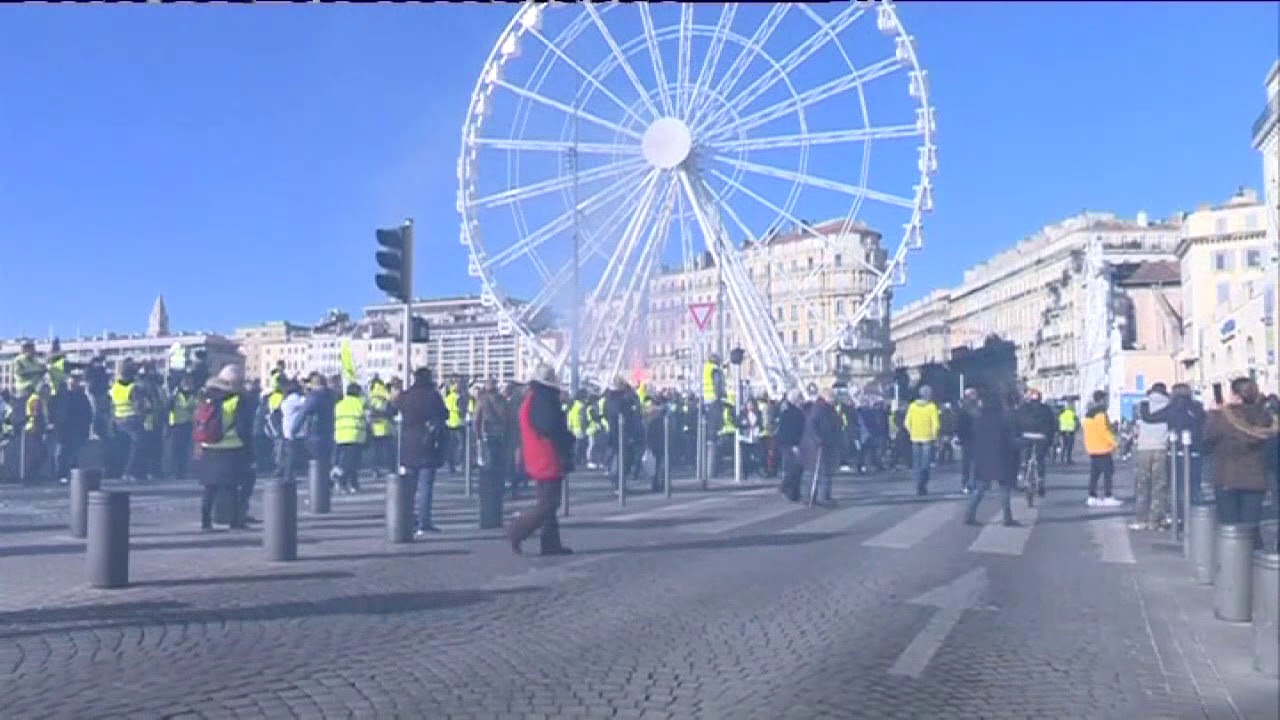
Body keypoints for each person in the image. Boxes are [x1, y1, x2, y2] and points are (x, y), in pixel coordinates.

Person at [507, 364, 574, 556]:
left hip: (536, 453)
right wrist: (567, 437)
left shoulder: (532, 397)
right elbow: (550, 426)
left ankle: (550, 543)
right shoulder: (545, 399)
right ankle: (517, 530)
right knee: (549, 504)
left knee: (547, 502)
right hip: (547, 454)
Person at [1204, 377, 1278, 538]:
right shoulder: (1265, 417)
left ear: (1236, 395)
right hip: (1255, 478)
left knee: (1230, 531)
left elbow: (1208, 439)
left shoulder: (1223, 417)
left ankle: (1233, 562)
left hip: (1227, 478)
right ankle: (1253, 559)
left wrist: (1214, 413)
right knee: (1251, 530)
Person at [196, 365, 253, 531]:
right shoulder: (237, 400)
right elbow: (243, 428)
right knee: (232, 488)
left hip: (208, 446)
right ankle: (235, 521)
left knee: (209, 488)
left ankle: (206, 522)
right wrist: (249, 452)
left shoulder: (205, 397)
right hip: (231, 447)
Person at [394, 367, 448, 537]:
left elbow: (393, 409)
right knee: (425, 487)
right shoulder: (432, 395)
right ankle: (424, 521)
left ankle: (408, 518)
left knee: (409, 486)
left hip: (408, 444)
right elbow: (444, 414)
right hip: (427, 444)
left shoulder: (406, 396)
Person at [963, 385, 1019, 527]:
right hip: (1002, 456)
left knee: (980, 488)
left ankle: (969, 514)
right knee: (1004, 488)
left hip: (983, 457)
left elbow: (973, 436)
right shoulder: (1004, 418)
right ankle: (1007, 517)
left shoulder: (979, 419)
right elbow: (1011, 439)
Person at [1130, 383, 1170, 531]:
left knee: (1142, 484)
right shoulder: (1170, 405)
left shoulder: (1143, 405)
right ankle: (1156, 520)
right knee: (1159, 485)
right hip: (1161, 447)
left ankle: (1141, 520)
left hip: (1143, 448)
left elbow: (1136, 426)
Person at [799, 386, 842, 507]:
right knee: (819, 472)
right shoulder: (819, 408)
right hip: (817, 446)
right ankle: (815, 497)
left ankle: (822, 496)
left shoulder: (828, 409)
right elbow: (812, 425)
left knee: (824, 472)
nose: (833, 399)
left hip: (826, 443)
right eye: (831, 397)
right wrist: (818, 439)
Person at [1013, 388, 1056, 497]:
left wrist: (1017, 436)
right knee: (1040, 459)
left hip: (1025, 436)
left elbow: (1016, 422)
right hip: (1041, 437)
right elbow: (1053, 425)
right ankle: (1040, 479)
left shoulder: (1022, 409)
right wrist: (1050, 441)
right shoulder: (1046, 409)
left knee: (1025, 458)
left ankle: (1024, 473)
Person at [1081, 390, 1121, 507]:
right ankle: (1108, 496)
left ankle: (1092, 496)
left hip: (1092, 448)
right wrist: (1115, 443)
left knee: (1095, 474)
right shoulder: (1101, 414)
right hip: (1102, 448)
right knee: (1108, 473)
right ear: (1102, 399)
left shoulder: (1089, 414)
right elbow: (1103, 431)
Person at [904, 385, 940, 495]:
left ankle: (917, 483)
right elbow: (936, 424)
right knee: (926, 463)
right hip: (927, 438)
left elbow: (906, 423)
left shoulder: (912, 406)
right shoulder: (932, 407)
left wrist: (912, 432)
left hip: (915, 438)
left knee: (916, 464)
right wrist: (934, 436)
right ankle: (923, 485)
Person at [332, 383, 367, 494]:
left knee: (348, 461)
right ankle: (341, 480)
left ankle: (353, 484)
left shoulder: (339, 404)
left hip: (340, 436)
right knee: (352, 463)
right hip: (355, 436)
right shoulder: (361, 403)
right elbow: (368, 417)